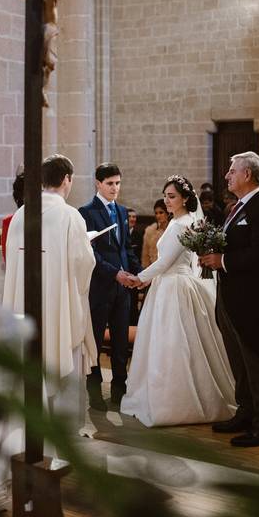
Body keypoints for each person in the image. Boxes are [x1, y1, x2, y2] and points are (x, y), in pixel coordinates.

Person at [119, 176, 235, 427]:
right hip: (170, 283)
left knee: (175, 344)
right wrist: (146, 280)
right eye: (165, 196)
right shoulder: (185, 221)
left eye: (172, 197)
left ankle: (175, 402)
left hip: (174, 287)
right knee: (173, 344)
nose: (167, 201)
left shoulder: (181, 224)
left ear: (185, 198)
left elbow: (164, 262)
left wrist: (139, 279)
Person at [2, 154, 97, 444]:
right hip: (57, 302)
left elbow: (12, 260)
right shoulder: (70, 216)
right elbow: (83, 263)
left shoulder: (22, 213)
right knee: (59, 351)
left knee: (31, 353)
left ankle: (30, 419)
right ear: (67, 180)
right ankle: (61, 429)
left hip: (24, 301)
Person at [199, 151, 259, 447]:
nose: (227, 175)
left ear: (247, 175)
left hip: (253, 301)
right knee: (238, 361)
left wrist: (223, 261)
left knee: (255, 362)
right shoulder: (237, 208)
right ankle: (245, 413)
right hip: (231, 297)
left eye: (232, 171)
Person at [79, 163, 142, 410]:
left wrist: (141, 273)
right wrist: (115, 274)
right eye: (109, 184)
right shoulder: (86, 212)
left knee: (119, 342)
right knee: (94, 341)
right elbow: (90, 254)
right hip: (100, 286)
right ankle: (94, 392)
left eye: (117, 183)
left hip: (123, 288)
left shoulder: (123, 211)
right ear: (98, 183)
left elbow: (126, 249)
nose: (114, 188)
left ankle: (119, 390)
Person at [8, 0, 78, 106]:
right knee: (51, 63)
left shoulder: (42, 1)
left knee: (46, 64)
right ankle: (43, 90)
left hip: (44, 30)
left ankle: (43, 90)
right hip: (50, 30)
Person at [141, 199, 169, 268]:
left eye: (161, 212)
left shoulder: (173, 228)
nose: (158, 216)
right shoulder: (150, 231)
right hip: (154, 269)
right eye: (156, 213)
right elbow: (145, 254)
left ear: (167, 212)